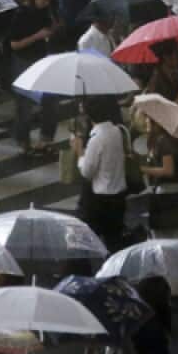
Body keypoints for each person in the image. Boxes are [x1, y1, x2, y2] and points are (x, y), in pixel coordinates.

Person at [9, 0, 62, 154]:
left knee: (51, 101)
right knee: (24, 104)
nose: (46, 3)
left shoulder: (48, 12)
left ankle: (46, 138)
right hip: (24, 60)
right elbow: (14, 44)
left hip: (44, 59)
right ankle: (23, 140)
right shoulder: (21, 14)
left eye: (49, 1)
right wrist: (37, 36)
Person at [75, 96, 130, 250]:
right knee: (114, 241)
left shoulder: (96, 139)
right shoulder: (116, 131)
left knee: (84, 241)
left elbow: (87, 172)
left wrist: (79, 152)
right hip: (118, 196)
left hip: (100, 200)